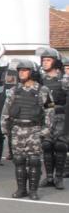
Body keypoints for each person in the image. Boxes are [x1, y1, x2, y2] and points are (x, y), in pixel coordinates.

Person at [1, 59, 54, 200]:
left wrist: (45, 131)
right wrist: (5, 129)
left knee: (34, 162)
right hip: (17, 130)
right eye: (20, 70)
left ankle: (33, 190)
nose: (21, 73)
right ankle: (21, 189)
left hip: (34, 131)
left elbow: (50, 112)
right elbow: (5, 112)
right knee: (19, 161)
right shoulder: (13, 91)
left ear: (32, 72)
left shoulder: (43, 91)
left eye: (24, 70)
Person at [38, 47, 68, 189]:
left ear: (56, 62)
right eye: (43, 60)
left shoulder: (64, 80)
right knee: (46, 146)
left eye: (48, 60)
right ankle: (49, 177)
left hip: (61, 117)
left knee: (60, 146)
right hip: (45, 118)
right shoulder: (40, 80)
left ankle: (59, 177)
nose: (44, 63)